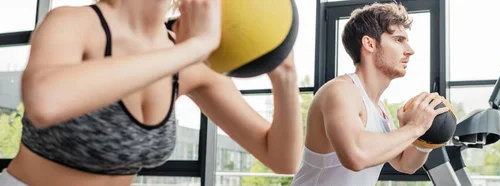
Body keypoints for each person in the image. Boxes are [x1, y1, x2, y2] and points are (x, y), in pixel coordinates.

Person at [0, 0, 304, 185]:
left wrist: (284, 74)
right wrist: (194, 47)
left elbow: (281, 159)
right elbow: (44, 100)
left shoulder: (188, 56)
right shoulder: (73, 23)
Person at [291, 2, 450, 186]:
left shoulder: (379, 109)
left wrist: (426, 136)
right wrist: (414, 127)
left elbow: (405, 164)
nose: (410, 50)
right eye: (399, 40)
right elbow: (356, 155)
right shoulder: (340, 91)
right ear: (369, 44)